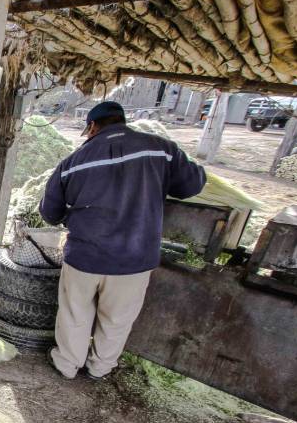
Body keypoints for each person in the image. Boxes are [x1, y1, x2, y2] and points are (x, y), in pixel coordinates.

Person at [39, 101, 206, 380]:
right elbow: (192, 184)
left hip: (85, 255)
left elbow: (49, 212)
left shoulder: (74, 162)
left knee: (74, 313)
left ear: (92, 126)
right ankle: (100, 368)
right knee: (117, 320)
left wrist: (70, 216)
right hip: (134, 256)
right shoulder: (160, 149)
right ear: (122, 120)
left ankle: (67, 364)